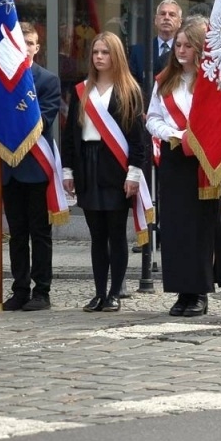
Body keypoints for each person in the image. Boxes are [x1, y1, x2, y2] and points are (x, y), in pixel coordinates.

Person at [64, 31, 148, 311]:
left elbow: (138, 138)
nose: (99, 57)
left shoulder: (129, 91)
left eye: (105, 52)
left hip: (115, 166)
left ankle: (114, 293)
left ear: (116, 56)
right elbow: (70, 134)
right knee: (96, 234)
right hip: (87, 164)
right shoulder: (81, 90)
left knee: (115, 233)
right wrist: (67, 170)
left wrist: (134, 173)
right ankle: (99, 292)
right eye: (96, 52)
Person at [148, 17, 219, 317]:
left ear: (199, 48)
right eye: (178, 45)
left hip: (204, 161)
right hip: (175, 157)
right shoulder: (165, 80)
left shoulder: (212, 81)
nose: (181, 50)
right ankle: (181, 291)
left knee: (200, 228)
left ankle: (199, 292)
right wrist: (173, 134)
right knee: (175, 228)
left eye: (187, 45)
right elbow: (152, 118)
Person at [1, 26, 62, 311]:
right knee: (16, 233)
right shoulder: (1, 80)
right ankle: (20, 288)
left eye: (30, 43)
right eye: (20, 42)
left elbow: (45, 120)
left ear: (37, 47)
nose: (25, 47)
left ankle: (43, 291)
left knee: (40, 232)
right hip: (10, 168)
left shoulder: (48, 80)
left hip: (36, 166)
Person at [127, 0, 182, 87]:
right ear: (156, 20)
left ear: (180, 22)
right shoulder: (138, 52)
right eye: (162, 14)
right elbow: (132, 87)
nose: (166, 18)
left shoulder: (183, 51)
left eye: (172, 15)